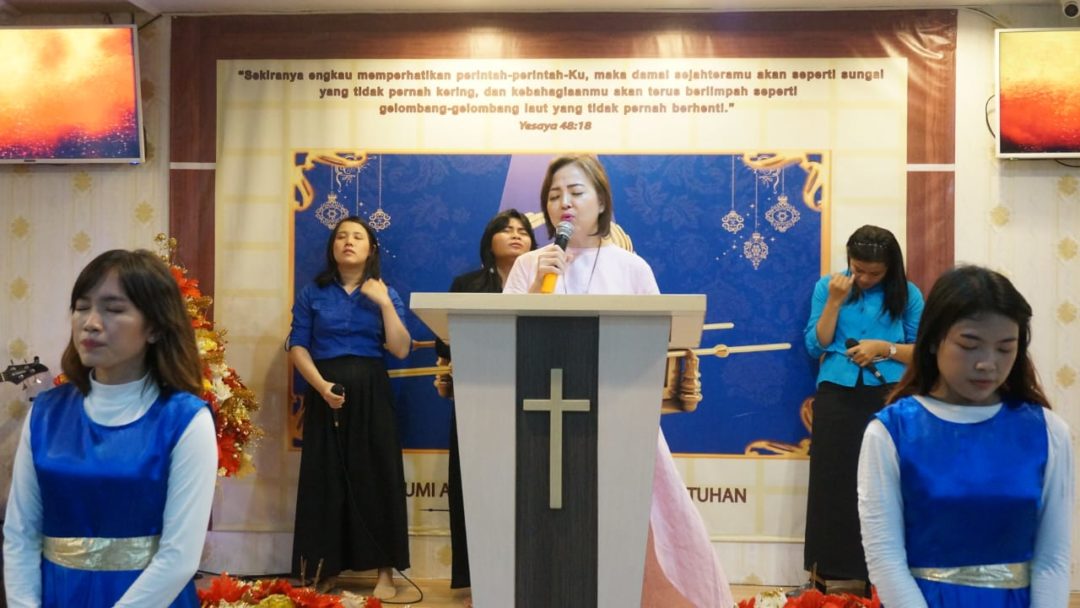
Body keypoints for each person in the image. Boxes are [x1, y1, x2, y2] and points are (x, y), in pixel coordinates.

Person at [503, 154, 734, 607]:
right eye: (554, 195)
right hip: (543, 421)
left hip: (622, 419)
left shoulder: (631, 267)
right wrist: (536, 287)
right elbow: (500, 340)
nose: (564, 203)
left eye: (576, 192)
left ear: (602, 201)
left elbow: (660, 343)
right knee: (552, 528)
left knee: (634, 530)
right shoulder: (529, 264)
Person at [3, 249, 218, 607]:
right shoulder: (46, 413)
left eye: (113, 309)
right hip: (59, 594)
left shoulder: (185, 420)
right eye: (81, 307)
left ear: (154, 327)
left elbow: (180, 557)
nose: (90, 323)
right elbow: (20, 533)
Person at [858, 265, 1073, 607]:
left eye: (1005, 348)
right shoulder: (891, 433)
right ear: (933, 341)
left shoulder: (1048, 432)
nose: (987, 363)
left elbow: (1053, 560)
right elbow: (885, 559)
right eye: (970, 345)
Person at [287, 216, 411, 600]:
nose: (348, 241)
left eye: (358, 236)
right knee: (324, 480)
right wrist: (322, 387)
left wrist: (384, 303)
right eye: (341, 236)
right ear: (333, 248)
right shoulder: (313, 292)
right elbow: (297, 345)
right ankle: (324, 569)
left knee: (378, 475)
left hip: (372, 391)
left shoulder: (384, 292)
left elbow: (400, 348)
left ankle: (385, 572)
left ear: (371, 249)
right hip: (326, 390)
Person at [801, 224, 924, 592]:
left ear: (891, 268)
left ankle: (881, 577)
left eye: (875, 273)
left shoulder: (908, 295)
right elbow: (815, 344)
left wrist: (883, 348)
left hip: (887, 395)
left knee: (882, 483)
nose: (866, 279)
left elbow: (924, 352)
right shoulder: (829, 286)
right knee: (830, 482)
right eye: (859, 270)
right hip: (836, 393)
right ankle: (823, 575)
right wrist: (835, 301)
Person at [434, 209, 537, 601]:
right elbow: (445, 341)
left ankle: (530, 577)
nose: (516, 235)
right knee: (478, 491)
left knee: (527, 490)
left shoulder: (549, 283)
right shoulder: (468, 284)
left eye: (523, 230)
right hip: (478, 397)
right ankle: (482, 581)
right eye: (506, 230)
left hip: (532, 396)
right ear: (489, 241)